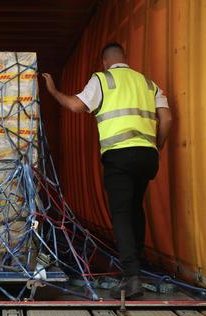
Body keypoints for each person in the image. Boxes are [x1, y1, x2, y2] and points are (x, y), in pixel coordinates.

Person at [42, 42, 173, 299]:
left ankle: (131, 278)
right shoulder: (148, 83)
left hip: (119, 155)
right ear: (125, 59)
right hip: (147, 155)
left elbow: (75, 106)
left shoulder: (103, 80)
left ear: (105, 62)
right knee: (135, 208)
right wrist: (156, 147)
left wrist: (53, 90)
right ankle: (139, 265)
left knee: (121, 213)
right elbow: (166, 119)